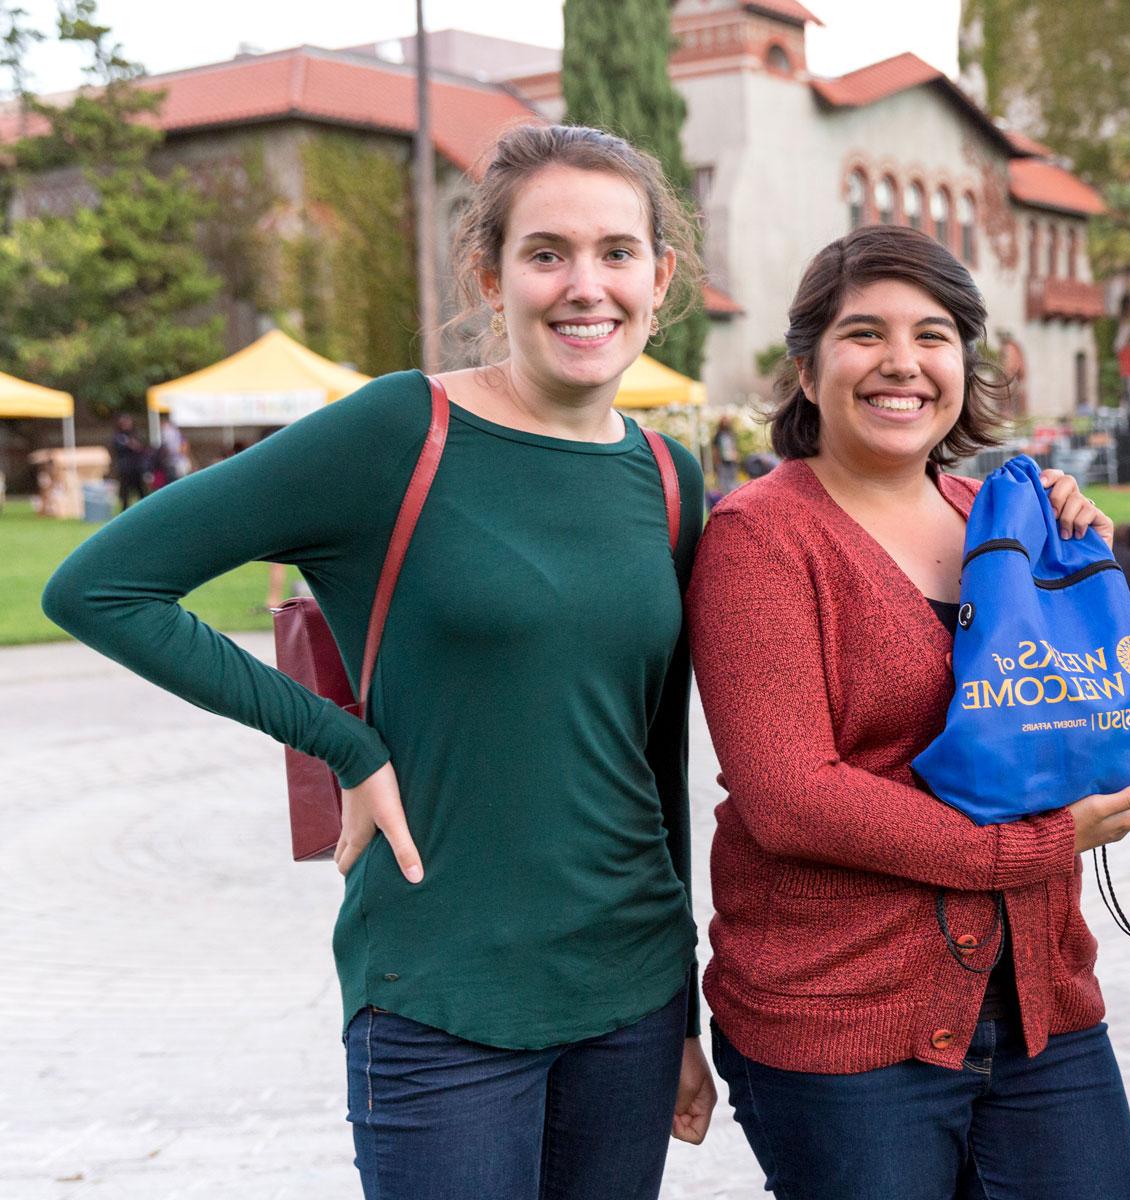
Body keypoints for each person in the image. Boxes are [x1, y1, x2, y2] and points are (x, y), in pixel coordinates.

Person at [43, 123, 719, 1200]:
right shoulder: (402, 431)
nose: (585, 285)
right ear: (488, 274)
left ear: (660, 275)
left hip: (628, 999)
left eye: (616, 253)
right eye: (547, 253)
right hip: (441, 988)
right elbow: (102, 587)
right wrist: (339, 739)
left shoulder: (674, 483)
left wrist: (680, 1004)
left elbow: (654, 754)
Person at [688, 224, 1130, 1200]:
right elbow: (792, 797)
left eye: (934, 334)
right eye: (865, 334)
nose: (901, 362)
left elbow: (1068, 711)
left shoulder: (1001, 517)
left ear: (964, 364)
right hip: (844, 1025)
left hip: (1042, 1005)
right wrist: (1036, 845)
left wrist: (1079, 573)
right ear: (809, 368)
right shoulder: (761, 539)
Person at [108, 414, 147, 509]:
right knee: (125, 493)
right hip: (125, 468)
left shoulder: (135, 435)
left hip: (136, 468)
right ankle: (125, 510)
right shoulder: (118, 437)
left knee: (141, 491)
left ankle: (145, 509)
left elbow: (141, 448)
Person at [712, 412, 742, 494]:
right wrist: (716, 460)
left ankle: (733, 493)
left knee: (733, 479)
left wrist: (736, 456)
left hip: (732, 460)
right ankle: (724, 494)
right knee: (723, 480)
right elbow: (715, 448)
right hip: (722, 460)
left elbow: (735, 446)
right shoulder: (718, 435)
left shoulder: (731, 434)